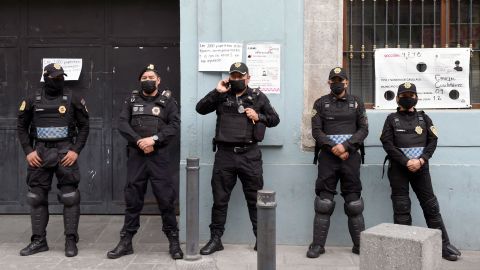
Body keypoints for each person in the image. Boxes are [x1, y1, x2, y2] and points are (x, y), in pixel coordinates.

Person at [196, 62, 280, 255]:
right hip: (224, 155)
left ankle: (262, 239)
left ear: (248, 78)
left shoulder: (258, 97)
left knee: (254, 199)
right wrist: (217, 91)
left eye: (240, 76)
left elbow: (275, 119)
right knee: (220, 199)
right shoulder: (221, 95)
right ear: (229, 78)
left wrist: (259, 116)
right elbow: (200, 108)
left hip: (249, 155)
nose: (236, 79)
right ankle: (216, 239)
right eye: (233, 76)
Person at [107, 64, 183, 260]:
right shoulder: (131, 100)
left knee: (166, 200)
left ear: (158, 80)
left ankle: (174, 241)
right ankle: (126, 242)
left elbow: (174, 126)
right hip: (137, 156)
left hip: (159, 157)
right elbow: (122, 123)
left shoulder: (168, 102)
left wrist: (154, 140)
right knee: (133, 199)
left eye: (151, 76)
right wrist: (139, 141)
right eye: (144, 77)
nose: (147, 79)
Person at [380, 82, 461, 261]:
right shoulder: (391, 119)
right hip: (399, 170)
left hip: (421, 169)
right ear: (397, 98)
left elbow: (433, 141)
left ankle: (444, 245)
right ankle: (403, 248)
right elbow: (387, 143)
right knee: (401, 208)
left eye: (411, 94)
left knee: (431, 207)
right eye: (404, 95)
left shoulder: (425, 119)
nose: (408, 98)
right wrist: (406, 161)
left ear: (417, 97)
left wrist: (421, 160)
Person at [17, 63, 90, 257]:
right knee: (36, 197)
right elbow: (21, 126)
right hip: (39, 153)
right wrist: (28, 150)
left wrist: (75, 150)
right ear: (46, 77)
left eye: (61, 77)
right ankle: (39, 241)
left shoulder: (72, 98)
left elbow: (84, 126)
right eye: (55, 77)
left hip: (65, 152)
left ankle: (70, 240)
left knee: (70, 197)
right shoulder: (32, 99)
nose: (59, 80)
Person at [307, 67, 368, 258]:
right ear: (328, 83)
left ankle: (360, 246)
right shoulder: (320, 103)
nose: (336, 83)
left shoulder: (357, 103)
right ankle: (318, 246)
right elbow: (317, 131)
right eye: (333, 80)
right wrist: (334, 147)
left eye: (340, 80)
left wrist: (346, 147)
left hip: (350, 158)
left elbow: (363, 129)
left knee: (354, 203)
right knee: (324, 203)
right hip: (328, 159)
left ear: (347, 82)